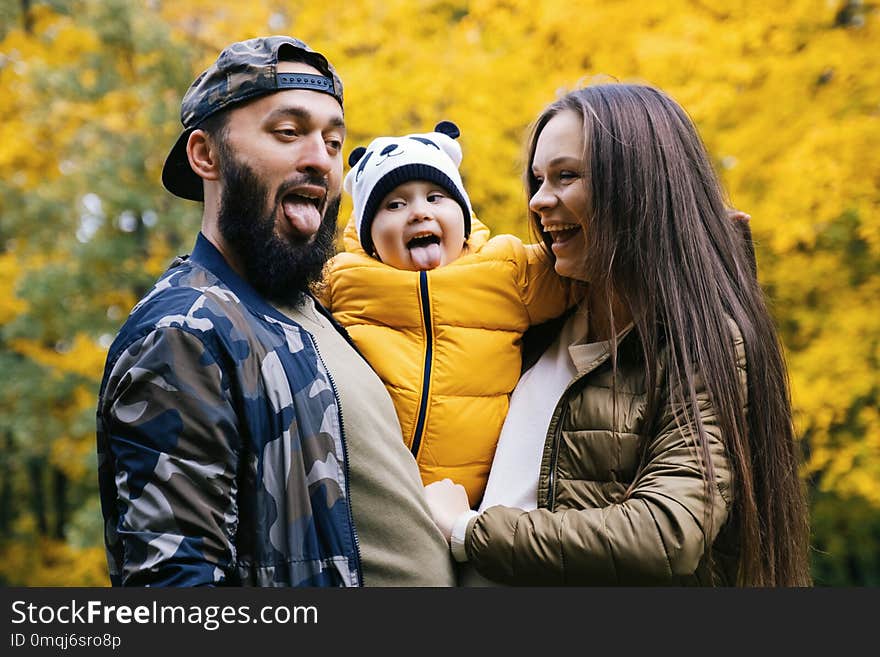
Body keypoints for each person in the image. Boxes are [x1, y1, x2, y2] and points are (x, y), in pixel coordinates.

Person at [96, 36, 455, 587]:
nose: (320, 159)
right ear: (206, 155)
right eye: (288, 133)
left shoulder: (313, 316)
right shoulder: (186, 331)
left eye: (334, 142)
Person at [424, 83, 812, 586]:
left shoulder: (703, 341)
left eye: (566, 176)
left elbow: (670, 531)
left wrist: (466, 530)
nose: (539, 201)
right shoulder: (531, 320)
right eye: (538, 179)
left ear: (639, 188)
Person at [319, 122, 572, 507]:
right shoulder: (343, 278)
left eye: (436, 197)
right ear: (369, 236)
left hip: (478, 501)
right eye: (394, 204)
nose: (419, 212)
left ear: (464, 214)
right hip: (372, 497)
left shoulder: (507, 268)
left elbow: (584, 273)